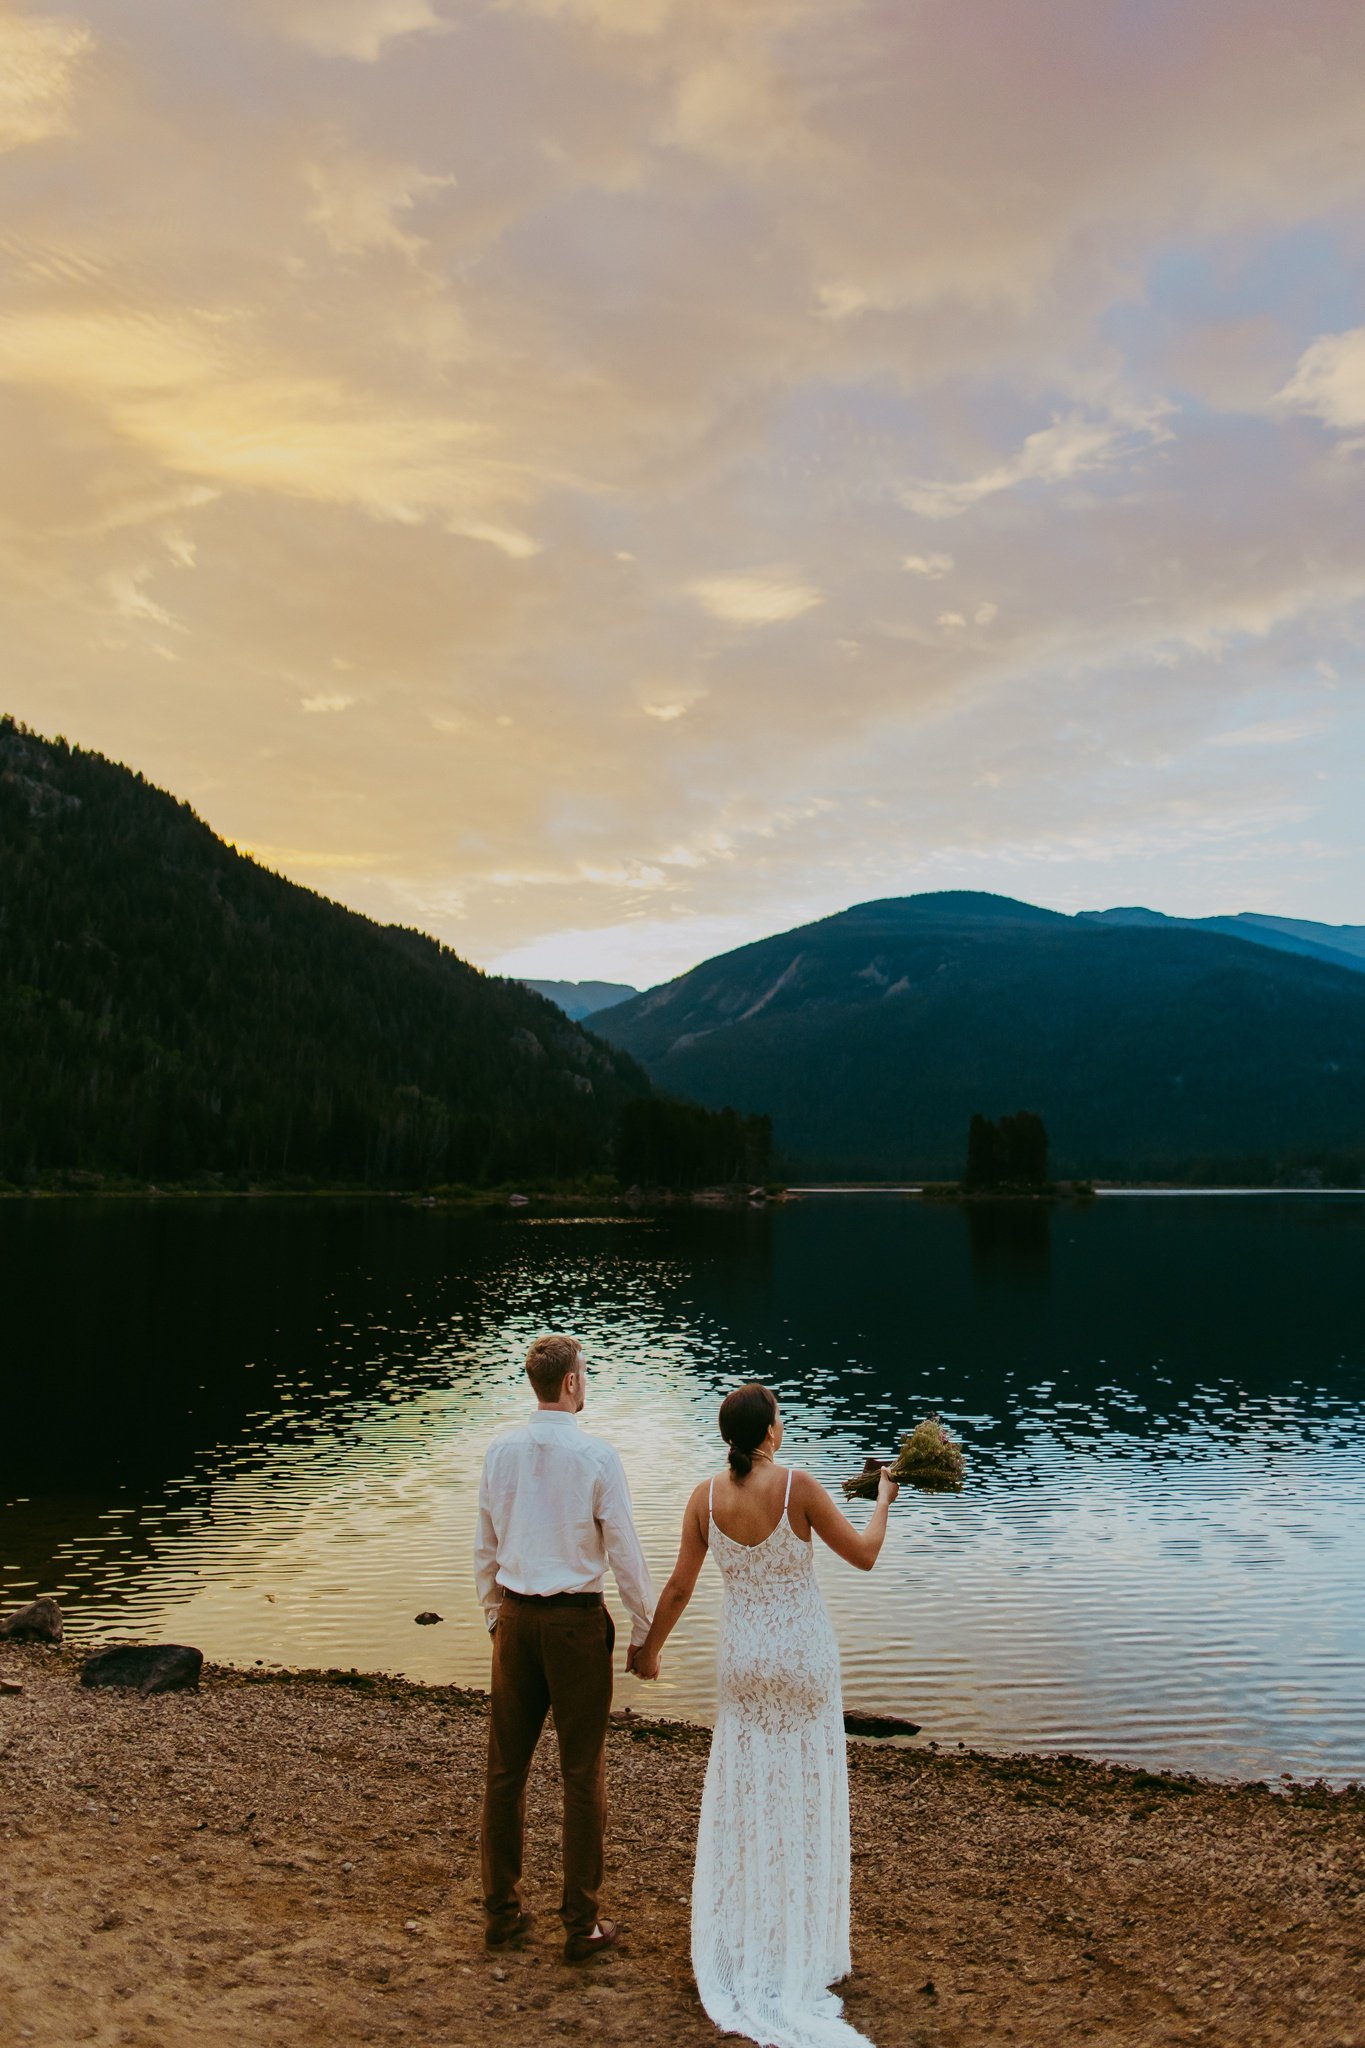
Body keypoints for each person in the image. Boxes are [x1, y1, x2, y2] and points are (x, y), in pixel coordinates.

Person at [632, 1382, 898, 2048]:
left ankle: (746, 1938)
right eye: (779, 1417)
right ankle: (801, 1947)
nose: (783, 1426)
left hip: (743, 1664)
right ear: (768, 1431)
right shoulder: (797, 1487)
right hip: (803, 1662)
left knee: (748, 1798)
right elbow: (863, 1556)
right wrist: (885, 1500)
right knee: (804, 1797)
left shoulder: (704, 1497)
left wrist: (648, 1651)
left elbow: (678, 1586)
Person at [475, 1333, 656, 1962]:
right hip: (577, 1626)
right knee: (582, 1775)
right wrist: (644, 1630)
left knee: (506, 1771)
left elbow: (485, 1545)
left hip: (518, 1621)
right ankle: (578, 1924)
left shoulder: (499, 1451)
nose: (587, 1381)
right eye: (587, 1373)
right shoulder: (598, 1458)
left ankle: (502, 1913)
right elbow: (626, 1552)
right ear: (572, 1382)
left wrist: (497, 1617)